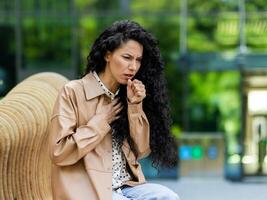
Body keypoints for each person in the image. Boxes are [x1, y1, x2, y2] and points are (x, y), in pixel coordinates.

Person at [48, 20, 179, 200]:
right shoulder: (73, 92)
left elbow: (141, 150)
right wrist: (101, 121)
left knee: (168, 197)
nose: (133, 67)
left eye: (138, 60)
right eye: (127, 57)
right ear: (108, 55)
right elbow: (59, 152)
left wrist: (135, 107)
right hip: (89, 188)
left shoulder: (126, 94)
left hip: (126, 186)